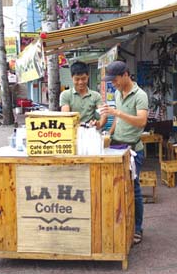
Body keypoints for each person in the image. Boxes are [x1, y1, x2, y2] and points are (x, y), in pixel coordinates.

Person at [100, 61, 148, 245]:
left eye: (115, 79)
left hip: (133, 150)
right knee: (119, 187)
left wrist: (117, 113)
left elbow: (141, 122)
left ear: (125, 75)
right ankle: (123, 223)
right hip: (117, 146)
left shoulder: (140, 95)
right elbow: (118, 121)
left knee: (134, 190)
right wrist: (108, 133)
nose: (113, 83)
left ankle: (137, 228)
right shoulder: (119, 93)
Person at [60, 61, 107, 129]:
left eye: (83, 79)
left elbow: (103, 114)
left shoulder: (96, 96)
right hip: (72, 130)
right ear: (72, 77)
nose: (80, 82)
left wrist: (99, 124)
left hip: (89, 131)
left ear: (88, 76)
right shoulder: (65, 95)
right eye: (77, 79)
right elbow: (66, 116)